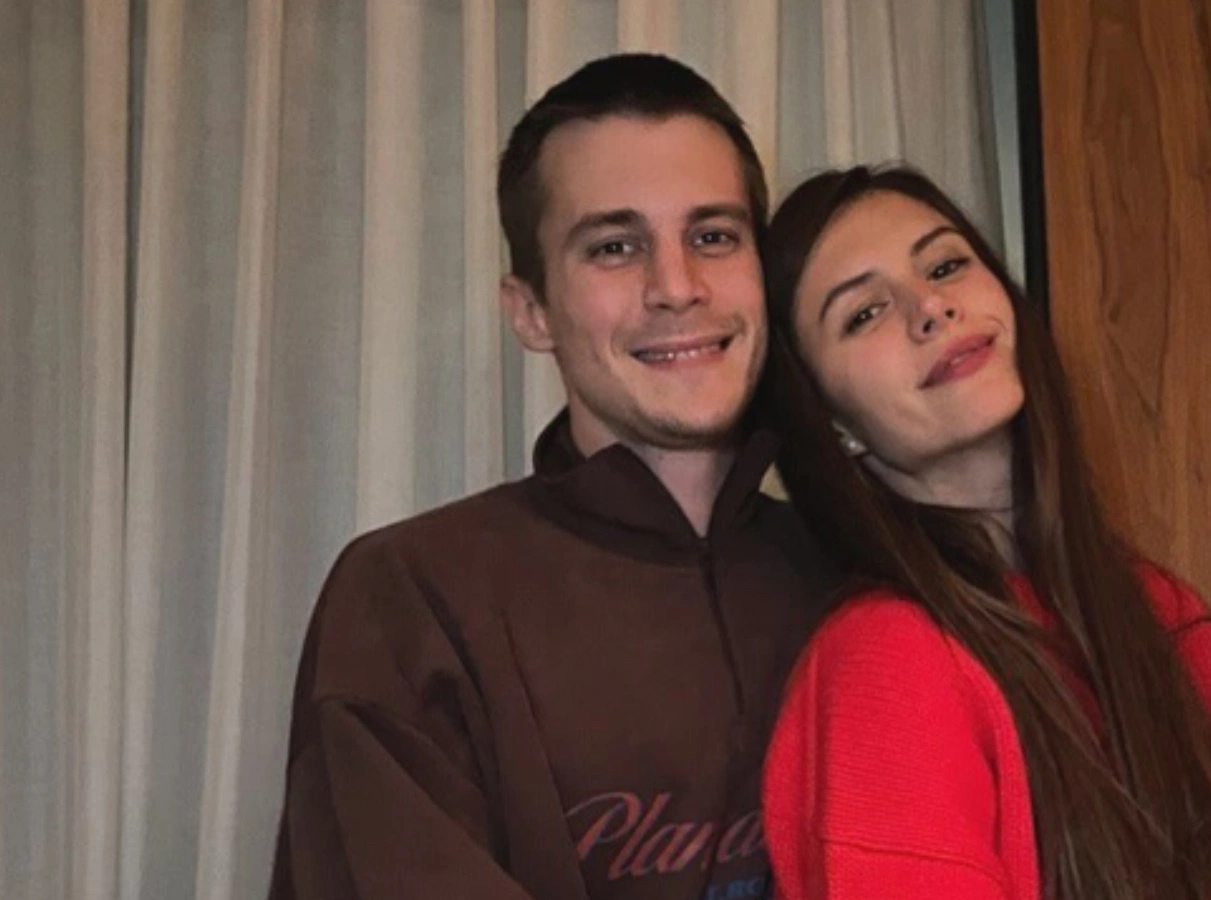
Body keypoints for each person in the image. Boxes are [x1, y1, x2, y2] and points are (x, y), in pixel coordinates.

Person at [268, 54, 836, 900]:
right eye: (615, 247)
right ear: (530, 311)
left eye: (713, 236)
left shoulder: (854, 570)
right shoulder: (411, 598)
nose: (677, 287)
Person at [755, 166, 1211, 900]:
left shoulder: (1159, 610)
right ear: (831, 422)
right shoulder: (883, 658)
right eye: (864, 313)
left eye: (946, 266)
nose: (931, 308)